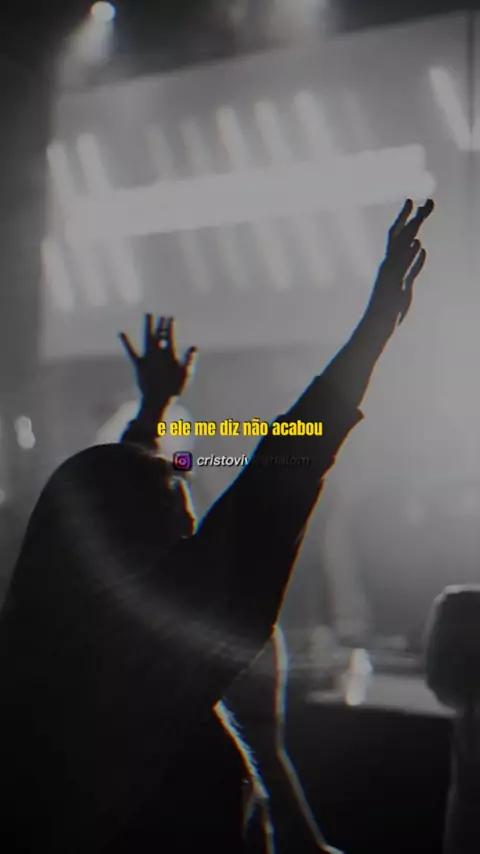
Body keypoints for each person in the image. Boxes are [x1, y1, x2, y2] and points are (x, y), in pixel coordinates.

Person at [0, 199, 433, 853]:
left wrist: (152, 410)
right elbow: (279, 476)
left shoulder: (43, 651)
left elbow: (105, 504)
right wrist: (373, 331)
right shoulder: (155, 659)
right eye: (178, 514)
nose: (194, 521)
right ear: (138, 549)